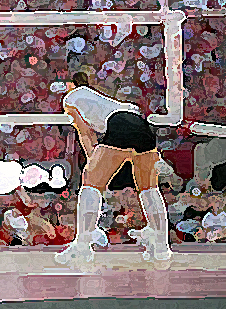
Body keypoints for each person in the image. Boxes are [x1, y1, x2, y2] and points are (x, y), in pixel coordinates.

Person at [55, 72, 172, 264]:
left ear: (71, 85)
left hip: (119, 124)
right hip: (140, 125)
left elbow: (85, 133)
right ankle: (161, 246)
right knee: (149, 188)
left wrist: (94, 162)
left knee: (90, 183)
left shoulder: (69, 100)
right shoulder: (100, 98)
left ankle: (83, 245)